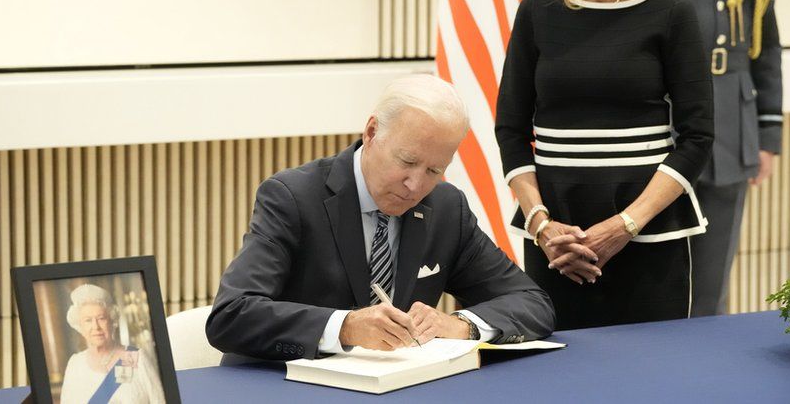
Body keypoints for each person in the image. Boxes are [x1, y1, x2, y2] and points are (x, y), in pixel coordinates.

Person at [495, 0, 713, 330]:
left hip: (651, 241)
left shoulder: (672, 14)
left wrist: (626, 225)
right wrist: (541, 225)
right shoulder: (538, 11)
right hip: (557, 246)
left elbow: (697, 138)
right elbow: (510, 131)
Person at [206, 74, 554, 360]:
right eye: (406, 161)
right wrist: (344, 327)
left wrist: (462, 325)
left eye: (434, 169)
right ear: (371, 133)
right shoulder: (292, 198)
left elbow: (533, 303)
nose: (416, 185)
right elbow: (231, 315)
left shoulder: (447, 208)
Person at [662, 0, 784, 316]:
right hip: (666, 122)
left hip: (734, 122)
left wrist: (769, 131)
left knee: (715, 273)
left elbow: (765, 43)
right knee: (661, 269)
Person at [59, 284, 165, 404]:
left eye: (101, 318)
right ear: (80, 327)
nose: (96, 327)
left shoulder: (137, 358)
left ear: (112, 321)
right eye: (88, 320)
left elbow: (159, 400)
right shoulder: (75, 365)